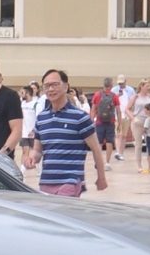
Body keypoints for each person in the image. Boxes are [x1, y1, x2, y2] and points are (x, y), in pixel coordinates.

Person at [22, 68, 108, 197]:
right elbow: (38, 150)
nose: (51, 89)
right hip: (46, 181)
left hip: (70, 181)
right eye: (47, 86)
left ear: (66, 86)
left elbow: (96, 149)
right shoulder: (41, 118)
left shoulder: (80, 118)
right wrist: (32, 158)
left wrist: (101, 177)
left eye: (55, 84)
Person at [91, 78, 121, 157]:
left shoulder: (97, 95)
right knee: (109, 142)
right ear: (111, 85)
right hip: (110, 122)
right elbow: (118, 111)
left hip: (99, 122)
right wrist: (119, 124)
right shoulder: (114, 96)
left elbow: (93, 109)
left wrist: (91, 121)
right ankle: (107, 162)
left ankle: (98, 161)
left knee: (99, 142)